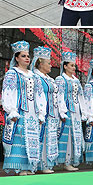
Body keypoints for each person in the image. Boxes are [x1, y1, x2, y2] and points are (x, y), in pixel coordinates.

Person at [1, 41, 43, 175]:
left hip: (33, 112)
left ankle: (29, 166)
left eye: (28, 56)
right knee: (19, 137)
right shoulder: (12, 73)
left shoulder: (34, 76)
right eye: (24, 56)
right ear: (17, 58)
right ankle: (19, 167)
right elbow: (8, 92)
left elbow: (40, 95)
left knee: (32, 138)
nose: (27, 58)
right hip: (19, 111)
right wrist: (11, 110)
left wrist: (41, 112)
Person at [31, 46, 60, 174]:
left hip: (51, 113)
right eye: (48, 63)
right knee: (40, 137)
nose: (50, 66)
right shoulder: (35, 77)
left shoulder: (50, 79)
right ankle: (37, 164)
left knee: (49, 138)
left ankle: (47, 164)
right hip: (41, 112)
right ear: (40, 64)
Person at [55, 51, 85, 171]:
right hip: (66, 111)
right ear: (65, 66)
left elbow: (81, 97)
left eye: (74, 65)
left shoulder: (76, 81)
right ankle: (66, 161)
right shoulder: (60, 79)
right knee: (66, 136)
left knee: (76, 135)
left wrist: (84, 112)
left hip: (76, 111)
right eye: (71, 65)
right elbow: (59, 96)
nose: (74, 68)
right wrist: (62, 111)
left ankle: (73, 160)